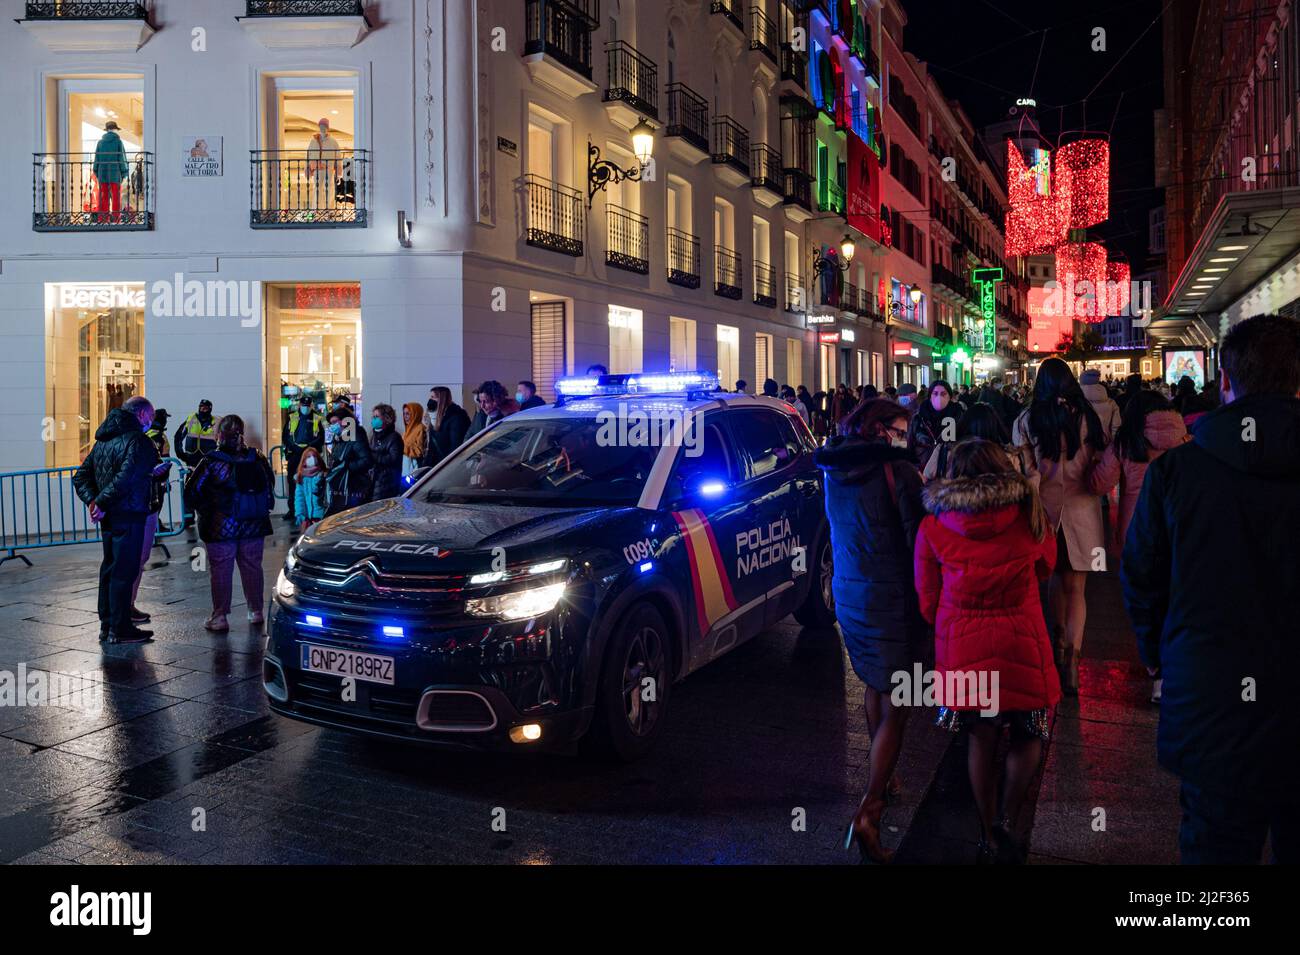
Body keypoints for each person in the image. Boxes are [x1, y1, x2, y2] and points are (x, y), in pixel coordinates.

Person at [1123, 315, 1300, 864]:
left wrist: (1159, 658)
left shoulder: (1176, 472)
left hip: (1211, 696)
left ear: (1225, 381)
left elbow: (1141, 576)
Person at [915, 438, 1060, 864]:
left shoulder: (935, 525)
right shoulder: (1029, 512)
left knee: (981, 737)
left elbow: (926, 600)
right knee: (1029, 731)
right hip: (1023, 639)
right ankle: (1009, 817)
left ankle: (984, 832)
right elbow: (1047, 568)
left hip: (965, 646)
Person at [815, 398, 926, 864]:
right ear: (883, 430)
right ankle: (869, 810)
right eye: (901, 428)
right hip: (893, 599)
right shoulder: (897, 473)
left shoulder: (833, 469)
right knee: (902, 700)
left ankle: (888, 776)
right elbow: (916, 540)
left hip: (850, 592)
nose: (906, 435)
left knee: (875, 685)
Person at [1012, 358, 1110, 696]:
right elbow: (1101, 458)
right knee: (1078, 589)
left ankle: (1056, 647)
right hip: (1085, 511)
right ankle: (1073, 661)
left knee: (1054, 580)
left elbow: (1026, 468)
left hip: (1048, 511)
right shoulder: (1088, 415)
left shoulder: (1028, 418)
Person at [72, 396, 160, 644]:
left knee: (110, 569)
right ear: (141, 415)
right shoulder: (138, 442)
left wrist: (95, 501)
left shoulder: (103, 442)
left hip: (109, 517)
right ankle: (120, 628)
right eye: (150, 416)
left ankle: (108, 626)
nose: (152, 421)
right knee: (124, 571)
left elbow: (81, 478)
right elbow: (126, 477)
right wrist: (99, 502)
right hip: (128, 514)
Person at [183, 415, 275, 633]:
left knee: (221, 569)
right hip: (253, 523)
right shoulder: (258, 457)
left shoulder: (211, 461)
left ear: (219, 435)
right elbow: (269, 485)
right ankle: (256, 612)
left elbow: (192, 492)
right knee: (252, 566)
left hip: (220, 525)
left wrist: (206, 510)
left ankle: (220, 616)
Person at [921, 401, 1021, 482]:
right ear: (996, 426)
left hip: (952, 503)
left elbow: (927, 475)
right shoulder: (1007, 456)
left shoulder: (945, 451)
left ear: (964, 423)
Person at [281, 393, 323, 524]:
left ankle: (310, 511)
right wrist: (293, 447)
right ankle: (292, 510)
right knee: (293, 482)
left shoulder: (317, 418)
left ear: (311, 405)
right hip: (294, 454)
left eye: (307, 405)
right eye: (303, 405)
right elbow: (286, 436)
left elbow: (320, 437)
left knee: (311, 483)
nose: (305, 407)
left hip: (309, 456)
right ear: (299, 405)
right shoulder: (292, 417)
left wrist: (309, 447)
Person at [324, 409, 373, 516]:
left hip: (354, 487)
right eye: (331, 423)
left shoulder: (356, 434)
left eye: (335, 422)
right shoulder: (339, 438)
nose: (332, 425)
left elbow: (367, 460)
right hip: (342, 488)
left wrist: (346, 467)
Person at [908, 378, 963, 469]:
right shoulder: (919, 418)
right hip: (922, 471)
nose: (939, 397)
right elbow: (910, 445)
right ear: (930, 396)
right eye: (935, 393)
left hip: (948, 472)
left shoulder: (958, 417)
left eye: (943, 394)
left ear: (950, 396)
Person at [92, 120, 129, 224]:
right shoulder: (118, 142)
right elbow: (121, 157)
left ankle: (103, 219)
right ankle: (116, 219)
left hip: (102, 172)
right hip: (115, 172)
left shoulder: (100, 142)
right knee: (116, 197)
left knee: (103, 196)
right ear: (114, 129)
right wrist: (124, 172)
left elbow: (97, 158)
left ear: (107, 130)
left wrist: (96, 171)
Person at [369, 403, 404, 500]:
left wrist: (373, 456)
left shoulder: (394, 437)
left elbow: (394, 459)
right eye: (373, 417)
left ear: (387, 418)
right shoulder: (374, 436)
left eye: (377, 416)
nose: (374, 419)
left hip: (387, 484)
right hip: (375, 482)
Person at [427, 386, 471, 463]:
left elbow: (455, 447)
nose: (430, 400)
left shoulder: (457, 417)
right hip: (438, 465)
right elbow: (432, 447)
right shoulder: (436, 416)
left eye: (433, 397)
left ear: (441, 399)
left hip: (449, 465)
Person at [1079, 368, 1122, 441]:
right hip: (1105, 443)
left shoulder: (1076, 402)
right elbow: (1116, 426)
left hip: (1081, 446)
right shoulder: (1111, 403)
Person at [293, 447, 328, 533]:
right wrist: (300, 514)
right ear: (304, 461)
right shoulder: (300, 478)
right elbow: (299, 498)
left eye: (314, 456)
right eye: (308, 457)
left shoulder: (324, 475)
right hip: (308, 519)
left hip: (322, 518)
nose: (312, 458)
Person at [174, 399, 218, 467]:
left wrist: (217, 456)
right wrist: (180, 454)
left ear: (210, 409)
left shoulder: (215, 422)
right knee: (191, 477)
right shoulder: (191, 418)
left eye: (206, 408)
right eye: (201, 407)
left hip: (208, 460)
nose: (203, 410)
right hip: (191, 458)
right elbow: (178, 436)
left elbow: (222, 441)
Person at [400, 401, 431, 476]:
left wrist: (401, 448)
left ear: (415, 414)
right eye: (404, 414)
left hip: (415, 470)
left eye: (408, 414)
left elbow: (419, 451)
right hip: (406, 469)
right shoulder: (408, 430)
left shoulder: (420, 429)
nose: (405, 417)